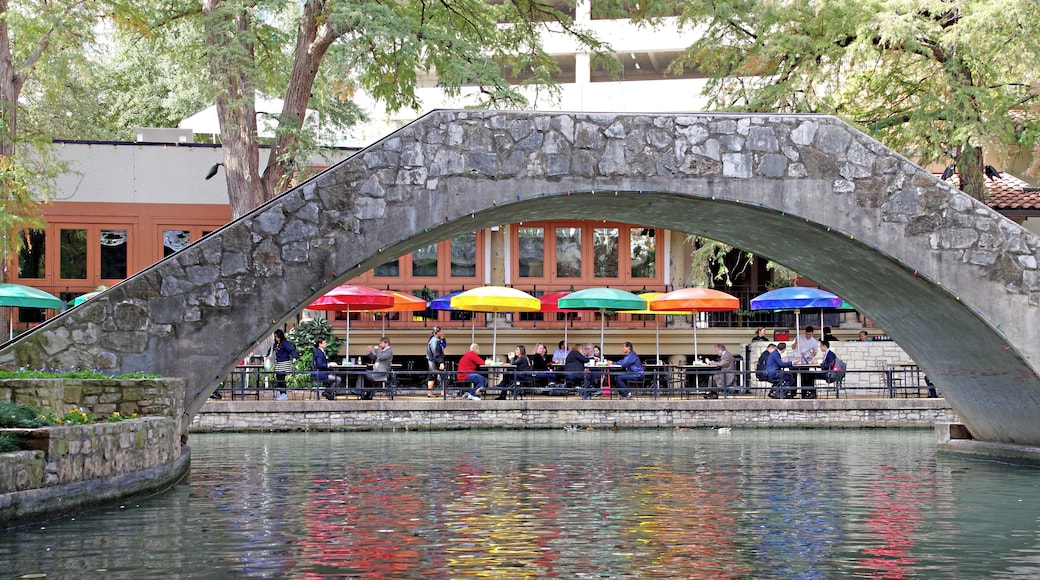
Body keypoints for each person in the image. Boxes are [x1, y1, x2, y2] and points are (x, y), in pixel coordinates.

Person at [272, 329, 297, 400]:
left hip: (284, 363)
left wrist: (294, 357)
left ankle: (284, 394)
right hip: (278, 363)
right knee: (279, 379)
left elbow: (291, 350)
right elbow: (270, 350)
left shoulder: (285, 343)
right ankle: (281, 394)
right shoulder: (276, 344)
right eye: (275, 337)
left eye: (277, 337)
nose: (276, 338)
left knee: (281, 378)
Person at [426, 326, 446, 398]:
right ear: (437, 333)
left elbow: (443, 347)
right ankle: (430, 392)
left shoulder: (439, 340)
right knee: (433, 376)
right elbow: (435, 353)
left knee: (441, 375)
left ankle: (442, 391)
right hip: (434, 360)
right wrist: (441, 362)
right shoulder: (434, 341)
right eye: (441, 331)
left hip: (435, 359)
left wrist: (443, 339)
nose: (443, 332)